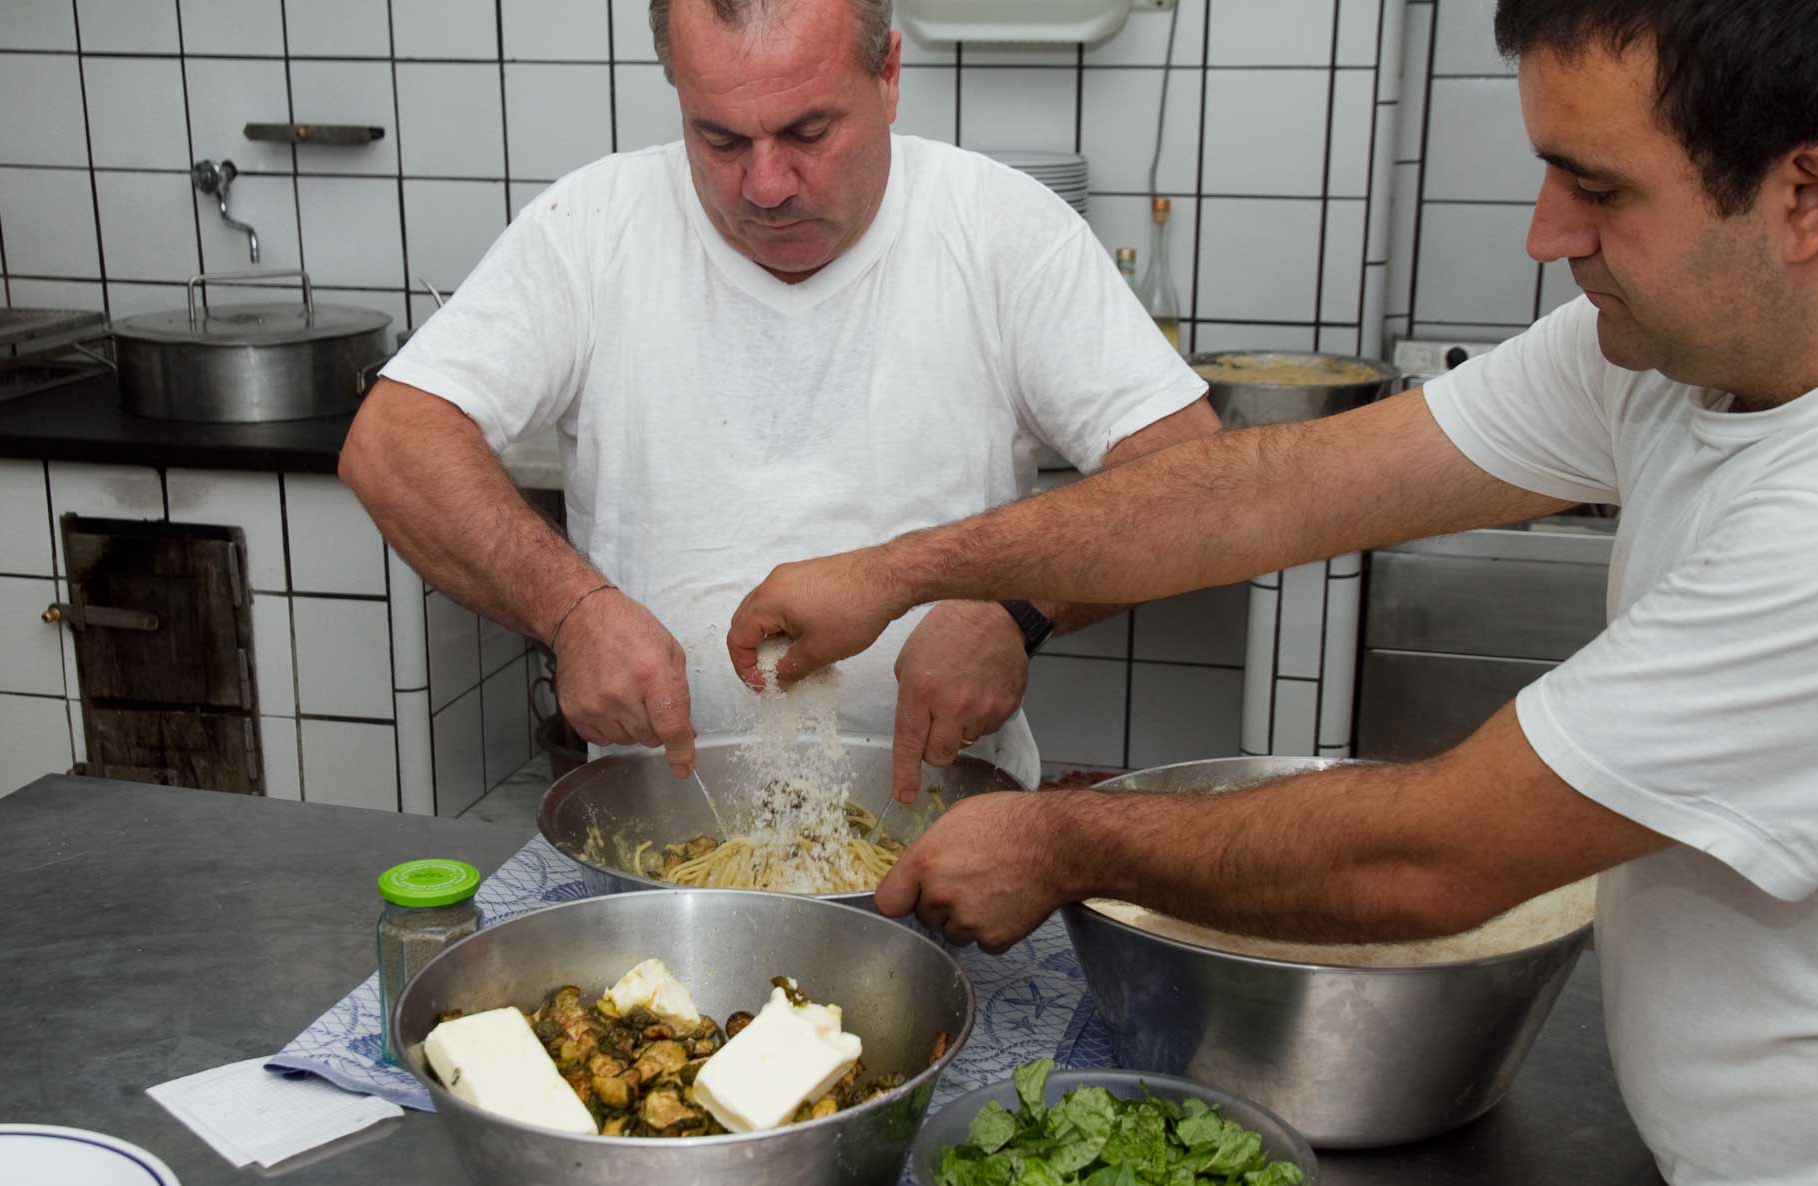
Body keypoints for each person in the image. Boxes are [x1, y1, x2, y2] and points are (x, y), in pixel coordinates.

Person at [726, 1, 1818, 1186]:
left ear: (1806, 194)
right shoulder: (1673, 361)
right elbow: (1268, 491)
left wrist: (1060, 837)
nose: (1546, 234)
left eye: (1599, 188)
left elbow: (1437, 857)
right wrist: (907, 570)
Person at [338, 0, 1214, 799]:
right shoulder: (593, 229)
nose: (765, 186)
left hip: (949, 833)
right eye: (718, 140)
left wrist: (1020, 610)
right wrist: (570, 611)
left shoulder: (1001, 231)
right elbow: (393, 441)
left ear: (889, 76)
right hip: (668, 837)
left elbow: (1192, 477)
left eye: (808, 131)